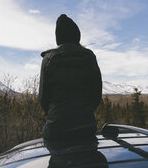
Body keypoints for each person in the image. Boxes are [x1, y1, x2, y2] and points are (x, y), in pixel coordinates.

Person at [39, 14, 102, 142]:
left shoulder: (49, 59)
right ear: (77, 36)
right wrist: (85, 112)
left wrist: (53, 114)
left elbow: (43, 97)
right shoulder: (89, 57)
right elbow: (96, 94)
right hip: (86, 127)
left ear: (58, 38)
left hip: (56, 128)